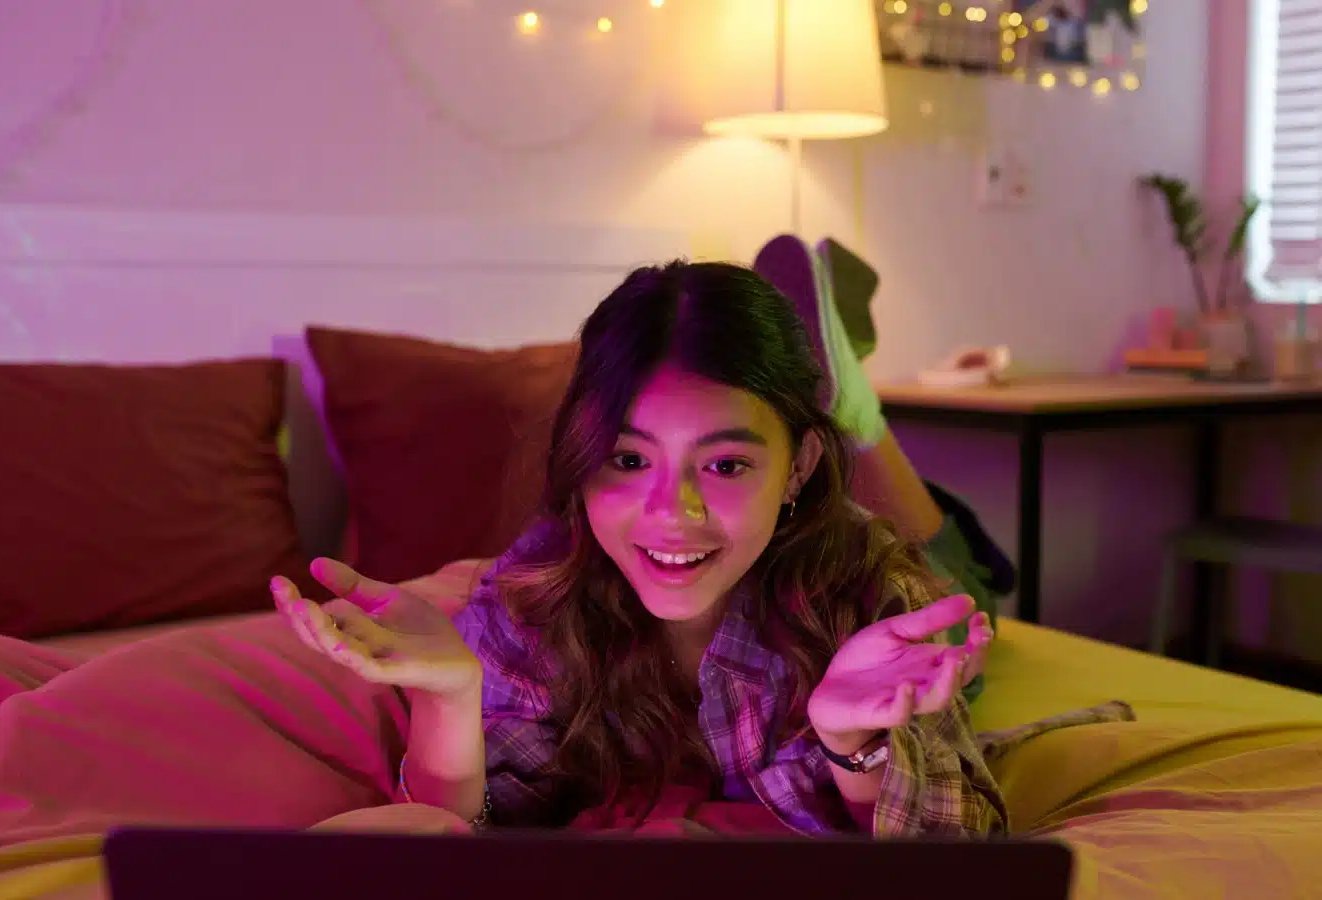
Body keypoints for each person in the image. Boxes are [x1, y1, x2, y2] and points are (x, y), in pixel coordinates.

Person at [273, 240, 1129, 837]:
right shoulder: (533, 594)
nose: (670, 510)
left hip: (886, 559)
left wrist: (855, 741)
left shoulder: (874, 599)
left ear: (795, 469)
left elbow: (957, 851)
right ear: (581, 453)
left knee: (963, 589)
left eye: (723, 466)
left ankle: (859, 415)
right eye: (626, 457)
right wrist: (448, 698)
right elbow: (467, 823)